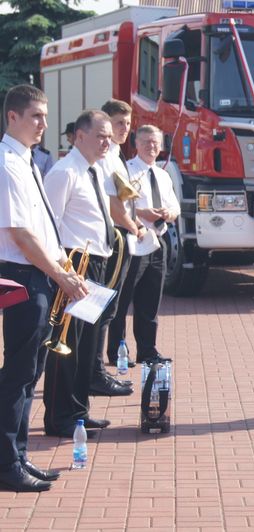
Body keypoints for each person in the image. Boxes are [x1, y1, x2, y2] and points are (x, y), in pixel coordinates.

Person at [0, 84, 88, 492]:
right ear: (12, 117)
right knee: (18, 373)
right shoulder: (7, 162)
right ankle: (6, 463)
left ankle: (17, 455)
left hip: (39, 273)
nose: (43, 125)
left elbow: (40, 227)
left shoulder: (28, 161)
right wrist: (58, 274)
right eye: (35, 116)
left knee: (29, 370)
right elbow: (19, 233)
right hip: (23, 275)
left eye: (45, 117)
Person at [42, 109, 130, 438]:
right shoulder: (65, 172)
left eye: (109, 136)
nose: (107, 142)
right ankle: (59, 417)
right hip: (73, 264)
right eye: (100, 136)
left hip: (96, 262)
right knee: (67, 344)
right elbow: (48, 226)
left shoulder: (92, 170)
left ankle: (78, 412)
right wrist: (64, 272)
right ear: (80, 136)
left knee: (86, 344)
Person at [108, 125, 180, 364]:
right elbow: (118, 206)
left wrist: (168, 213)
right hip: (134, 241)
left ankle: (147, 350)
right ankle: (117, 350)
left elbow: (176, 207)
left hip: (158, 241)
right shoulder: (126, 171)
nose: (152, 147)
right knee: (123, 299)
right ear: (136, 144)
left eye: (156, 142)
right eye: (147, 142)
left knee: (150, 300)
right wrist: (143, 212)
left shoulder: (163, 174)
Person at [95, 99, 144, 395]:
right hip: (113, 236)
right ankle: (95, 371)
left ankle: (96, 370)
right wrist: (133, 226)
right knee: (104, 307)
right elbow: (113, 204)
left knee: (111, 308)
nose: (124, 129)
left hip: (121, 236)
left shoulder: (116, 154)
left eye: (127, 123)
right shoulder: (106, 157)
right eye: (118, 123)